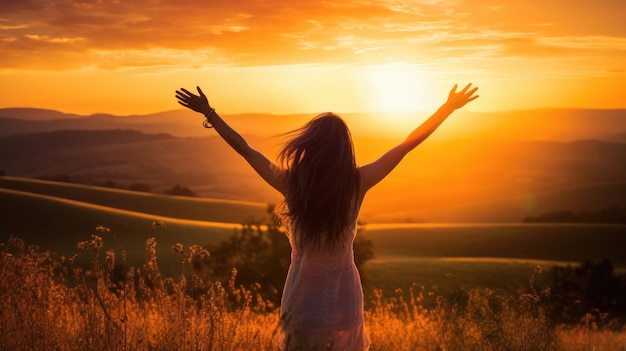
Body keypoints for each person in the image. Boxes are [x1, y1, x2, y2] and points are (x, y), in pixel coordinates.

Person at [175, 83, 479, 350]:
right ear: (345, 150)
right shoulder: (357, 183)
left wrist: (210, 113)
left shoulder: (293, 184)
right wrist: (446, 109)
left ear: (309, 148)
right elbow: (406, 146)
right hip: (343, 300)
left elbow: (245, 149)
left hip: (301, 301)